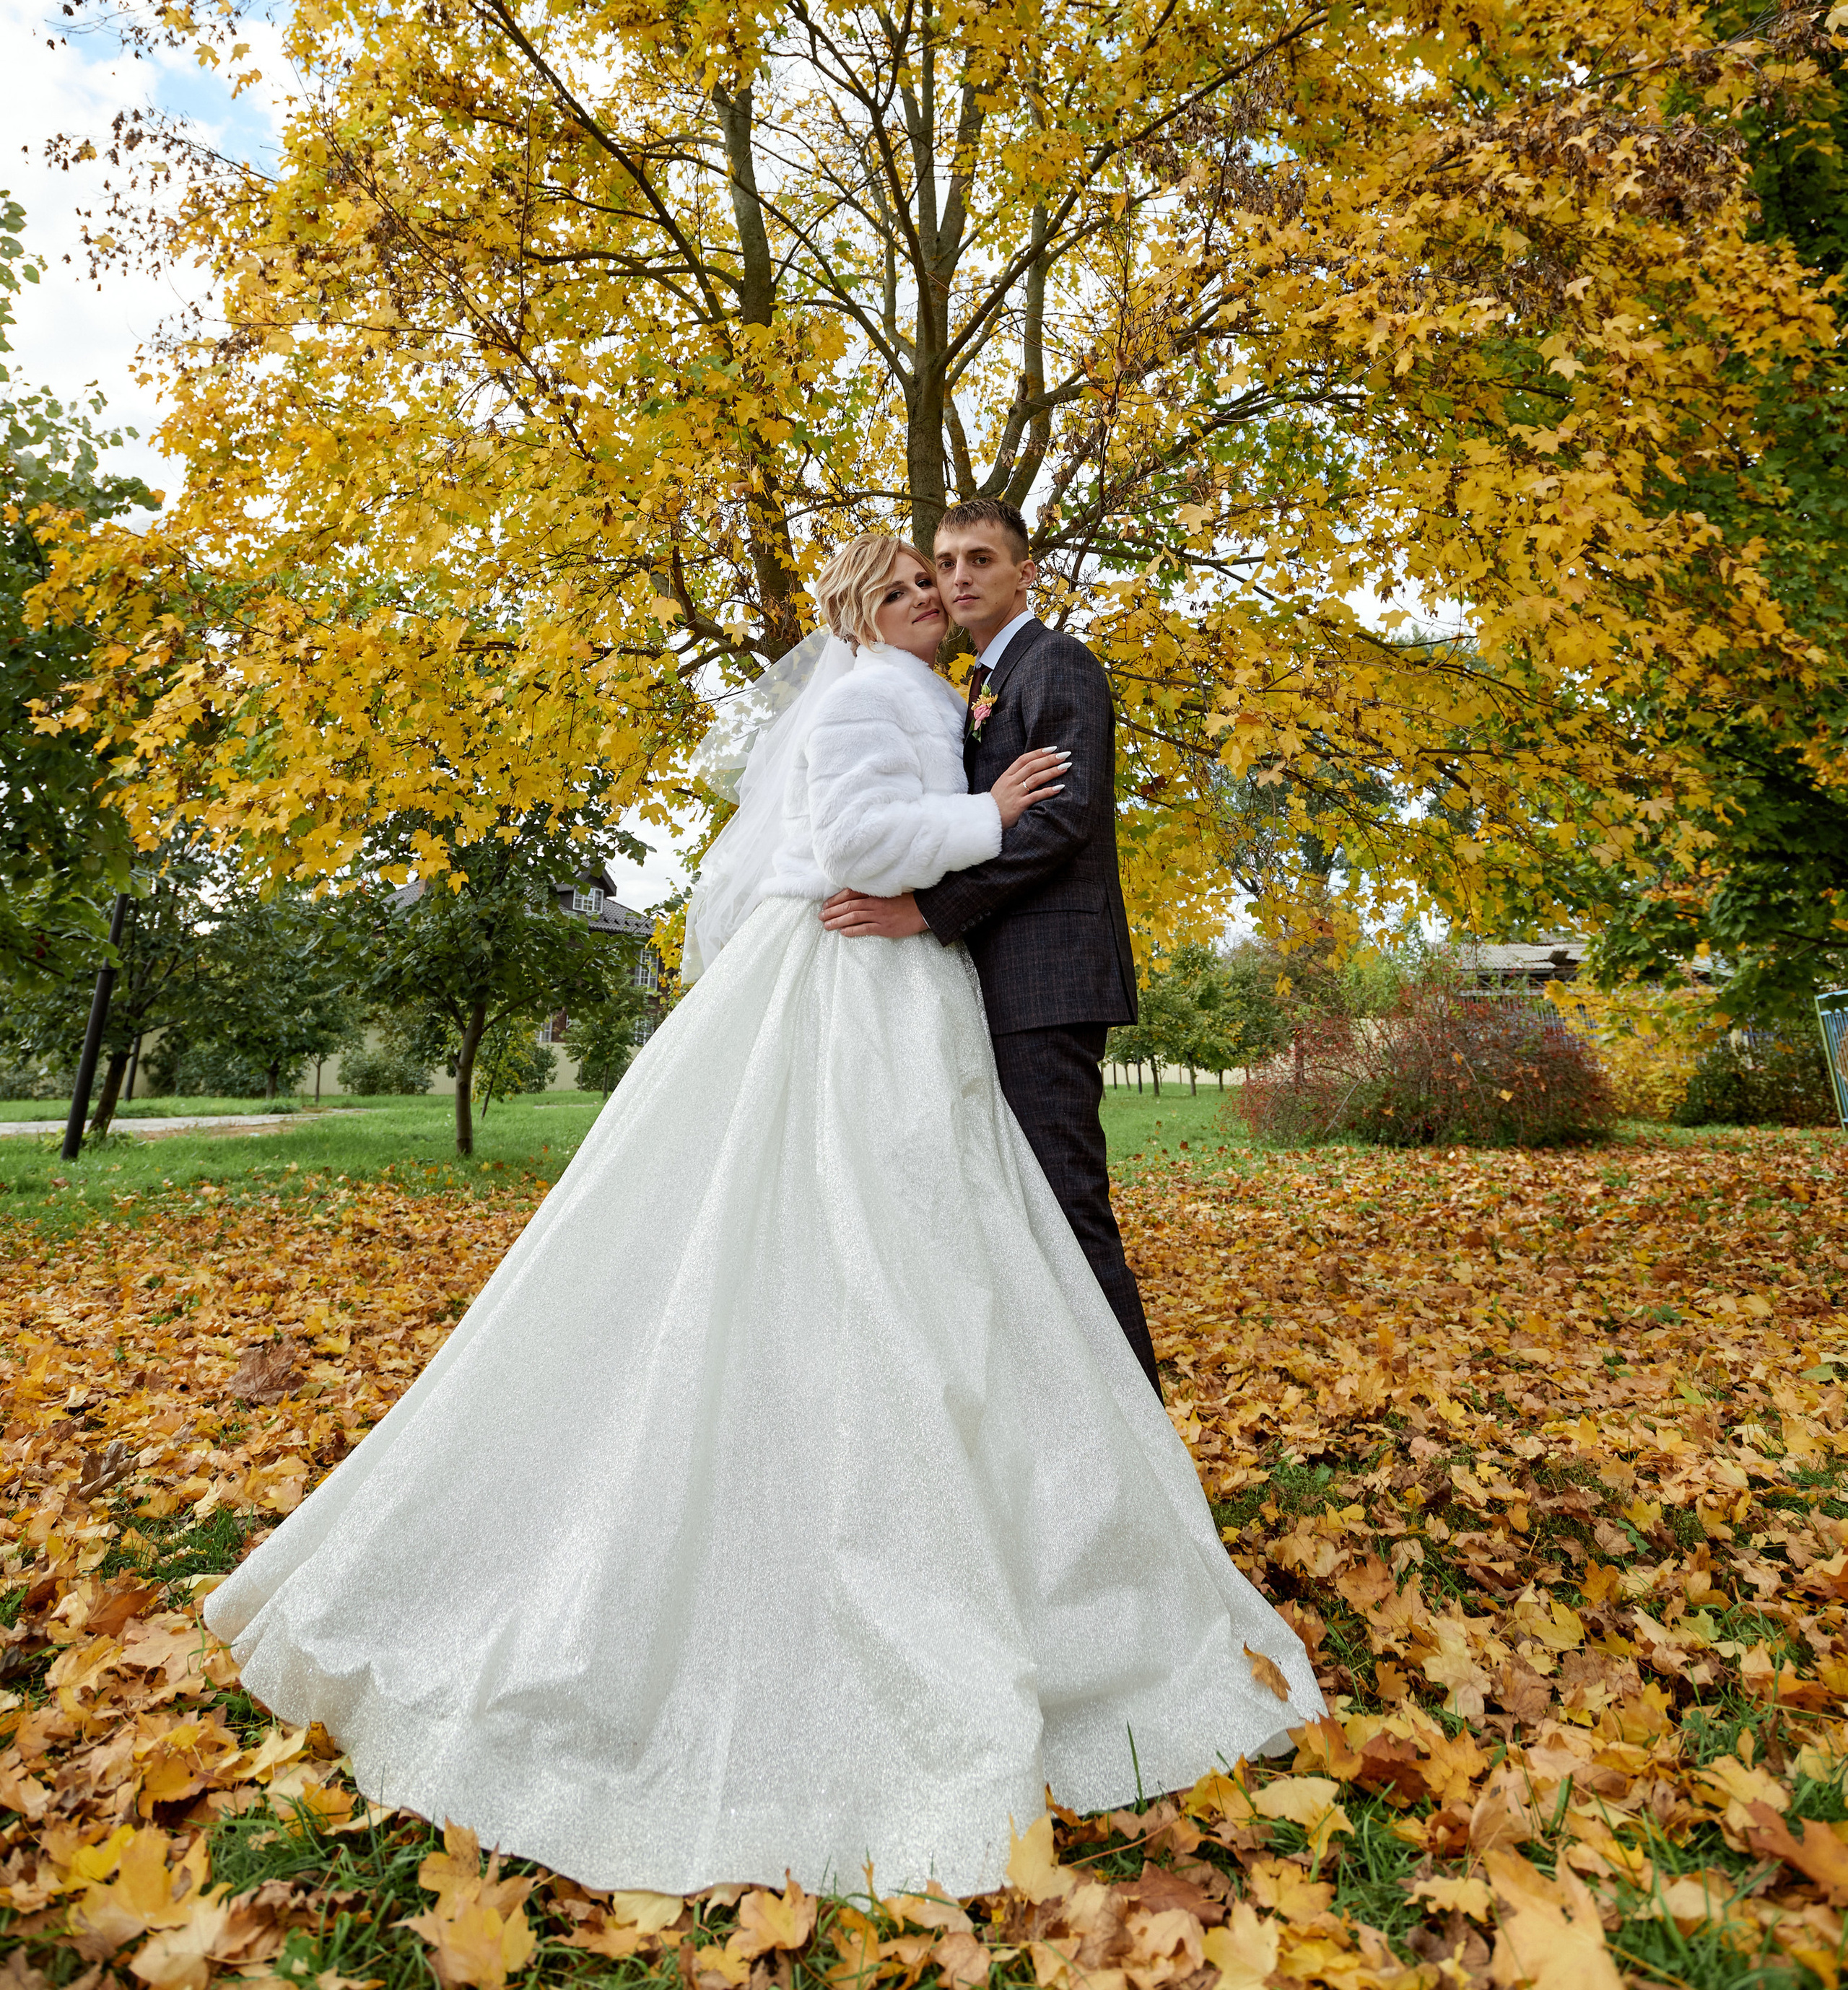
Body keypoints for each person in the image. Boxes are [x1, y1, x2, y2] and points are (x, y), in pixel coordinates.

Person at [204, 532, 1322, 1900]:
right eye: (910, 584)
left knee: (962, 1236)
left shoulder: (958, 689)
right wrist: (983, 818)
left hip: (923, 985)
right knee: (855, 1225)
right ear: (864, 609)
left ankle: (1073, 1498)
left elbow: (996, 818)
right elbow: (855, 840)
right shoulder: (869, 696)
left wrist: (981, 820)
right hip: (860, 976)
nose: (933, 595)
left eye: (946, 579)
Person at [821, 499, 1157, 1388]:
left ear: (1025, 571)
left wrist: (927, 912)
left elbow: (1061, 824)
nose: (957, 578)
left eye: (979, 559)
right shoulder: (972, 688)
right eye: (944, 563)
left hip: (1048, 981)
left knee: (1067, 1210)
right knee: (1024, 1218)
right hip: (997, 983)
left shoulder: (1058, 665)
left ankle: (1144, 1450)